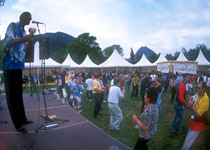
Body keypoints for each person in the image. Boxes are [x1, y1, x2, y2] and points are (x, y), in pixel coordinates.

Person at [2, 12, 33, 133]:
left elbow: (25, 46)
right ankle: (17, 123)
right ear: (23, 17)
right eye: (29, 16)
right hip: (9, 65)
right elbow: (8, 43)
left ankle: (23, 118)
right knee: (12, 96)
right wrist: (24, 39)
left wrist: (30, 38)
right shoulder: (12, 26)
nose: (31, 19)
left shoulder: (24, 32)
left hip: (19, 65)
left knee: (18, 94)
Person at [182, 81, 209, 150]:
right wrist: (189, 98)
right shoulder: (199, 93)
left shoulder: (205, 100)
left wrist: (191, 106)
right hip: (193, 120)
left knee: (187, 142)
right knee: (188, 137)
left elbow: (198, 114)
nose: (197, 89)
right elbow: (194, 97)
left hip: (198, 123)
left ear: (204, 89)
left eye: (199, 88)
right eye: (196, 87)